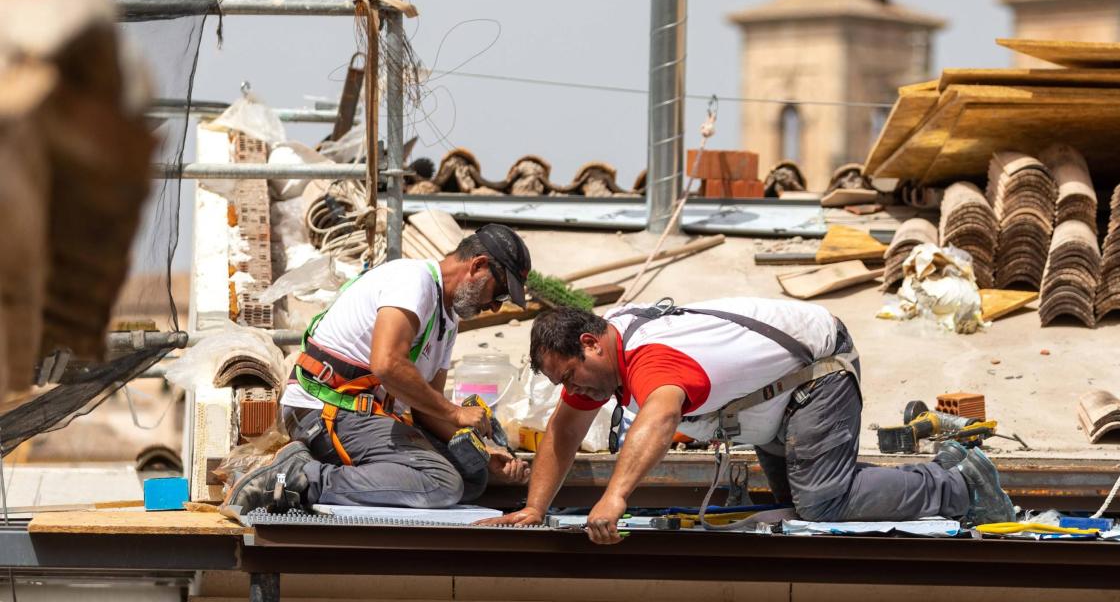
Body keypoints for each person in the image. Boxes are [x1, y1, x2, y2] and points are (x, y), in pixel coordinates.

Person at [482, 297, 1015, 542]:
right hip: (775, 397)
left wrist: (615, 496)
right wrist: (534, 508)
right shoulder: (606, 352)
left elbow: (660, 420)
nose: (573, 391)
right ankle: (949, 470)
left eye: (572, 375)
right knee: (798, 506)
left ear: (591, 343)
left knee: (822, 502)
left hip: (814, 374)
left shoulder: (650, 357)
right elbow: (565, 429)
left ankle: (960, 484)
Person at [222, 225, 535, 515]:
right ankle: (300, 477)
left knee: (472, 477)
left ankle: (317, 474)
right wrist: (456, 414)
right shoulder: (415, 282)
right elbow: (387, 365)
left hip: (364, 416)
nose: (495, 307)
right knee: (443, 484)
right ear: (478, 266)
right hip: (325, 410)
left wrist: (483, 452)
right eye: (500, 293)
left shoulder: (448, 320)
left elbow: (426, 408)